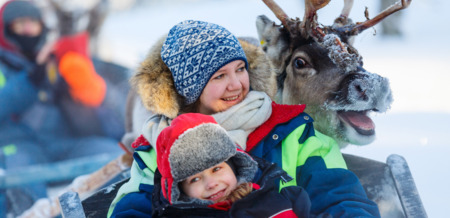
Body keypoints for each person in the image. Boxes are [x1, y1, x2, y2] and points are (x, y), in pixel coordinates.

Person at [109, 20, 380, 217]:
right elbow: (131, 208)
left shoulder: (294, 133)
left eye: (240, 69)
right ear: (188, 91)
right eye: (219, 76)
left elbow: (341, 198)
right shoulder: (159, 147)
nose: (236, 84)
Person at [0, 0, 123, 216]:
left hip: (64, 143)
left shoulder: (54, 57)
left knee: (115, 157)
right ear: (6, 29)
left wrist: (76, 85)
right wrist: (30, 80)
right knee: (21, 183)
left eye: (33, 23)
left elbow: (100, 96)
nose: (28, 30)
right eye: (21, 24)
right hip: (20, 146)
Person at [117, 113, 320, 217]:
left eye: (216, 169)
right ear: (180, 190)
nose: (211, 183)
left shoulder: (277, 198)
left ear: (234, 165)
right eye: (194, 178)